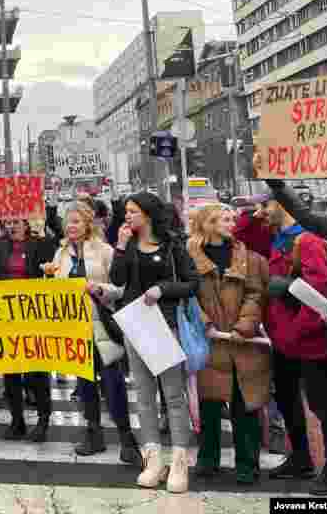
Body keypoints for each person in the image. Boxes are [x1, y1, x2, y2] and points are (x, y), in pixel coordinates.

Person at [258, 184, 327, 495]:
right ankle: (301, 458)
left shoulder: (306, 240)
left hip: (311, 343)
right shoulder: (281, 238)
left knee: (323, 407)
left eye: (266, 205)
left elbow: (318, 296)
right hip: (286, 340)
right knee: (286, 398)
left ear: (282, 206)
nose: (261, 212)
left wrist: (291, 333)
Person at [110, 192, 198, 494]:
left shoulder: (173, 246)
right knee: (145, 397)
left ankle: (179, 462)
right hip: (136, 326)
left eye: (133, 211)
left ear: (148, 214)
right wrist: (120, 247)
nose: (128, 216)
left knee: (173, 397)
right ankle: (153, 460)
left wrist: (163, 288)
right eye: (126, 212)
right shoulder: (129, 246)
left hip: (165, 326)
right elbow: (118, 279)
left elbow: (191, 283)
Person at [187, 203, 271, 484]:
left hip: (240, 342)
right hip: (207, 343)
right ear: (207, 223)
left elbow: (256, 294)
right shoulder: (189, 257)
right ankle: (207, 459)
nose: (232, 221)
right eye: (224, 218)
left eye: (232, 218)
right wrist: (204, 323)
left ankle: (247, 463)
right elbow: (187, 296)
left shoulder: (249, 258)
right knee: (208, 406)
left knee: (243, 406)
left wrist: (244, 325)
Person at [54, 203, 141, 465]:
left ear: (88, 224)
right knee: (84, 384)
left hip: (101, 325)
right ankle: (93, 433)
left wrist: (99, 289)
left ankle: (127, 440)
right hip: (74, 327)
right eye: (68, 222)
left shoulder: (104, 251)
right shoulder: (61, 253)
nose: (71, 227)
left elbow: (119, 286)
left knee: (113, 383)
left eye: (77, 222)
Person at [0, 216, 56, 442]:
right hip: (8, 316)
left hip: (34, 315)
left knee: (37, 370)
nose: (11, 225)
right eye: (8, 222)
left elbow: (53, 266)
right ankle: (17, 420)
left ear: (27, 223)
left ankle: (43, 420)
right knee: (11, 370)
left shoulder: (41, 243)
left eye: (16, 221)